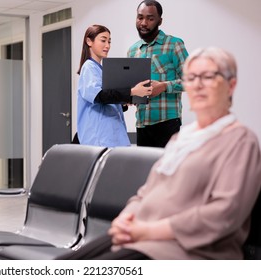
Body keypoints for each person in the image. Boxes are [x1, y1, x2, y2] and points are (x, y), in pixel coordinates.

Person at [57, 47, 261, 260]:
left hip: (180, 249)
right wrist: (124, 219)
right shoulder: (180, 140)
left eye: (208, 77)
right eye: (191, 78)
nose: (198, 84)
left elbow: (223, 214)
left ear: (231, 85)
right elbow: (145, 191)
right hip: (141, 238)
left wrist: (149, 231)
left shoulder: (239, 141)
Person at [77, 24, 152, 147]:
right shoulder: (89, 67)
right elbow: (99, 96)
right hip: (100, 138)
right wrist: (131, 92)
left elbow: (107, 100)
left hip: (113, 136)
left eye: (109, 41)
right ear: (89, 41)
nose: (107, 46)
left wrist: (124, 102)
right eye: (103, 40)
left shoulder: (101, 70)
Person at [128, 0, 189, 148]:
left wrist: (163, 86)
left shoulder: (174, 45)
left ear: (160, 21)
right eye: (140, 17)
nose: (143, 23)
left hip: (167, 124)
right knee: (145, 170)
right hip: (142, 124)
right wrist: (130, 95)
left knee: (168, 170)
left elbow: (191, 81)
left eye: (150, 18)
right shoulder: (133, 50)